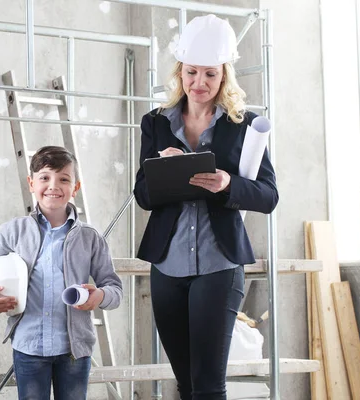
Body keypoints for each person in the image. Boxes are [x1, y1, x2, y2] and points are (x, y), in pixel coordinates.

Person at [133, 14, 279, 400]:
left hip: (219, 263)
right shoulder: (155, 124)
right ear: (180, 72)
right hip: (168, 264)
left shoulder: (243, 124)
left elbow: (268, 195)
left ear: (224, 76)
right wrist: (165, 170)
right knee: (186, 383)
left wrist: (228, 184)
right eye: (192, 72)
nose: (199, 83)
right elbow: (143, 196)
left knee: (209, 387)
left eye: (210, 74)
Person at [0, 145, 123, 400]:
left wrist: (100, 296)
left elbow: (115, 289)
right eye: (45, 177)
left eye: (63, 179)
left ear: (75, 187)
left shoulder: (90, 238)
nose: (53, 186)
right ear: (31, 183)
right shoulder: (12, 231)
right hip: (29, 347)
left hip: (74, 350)